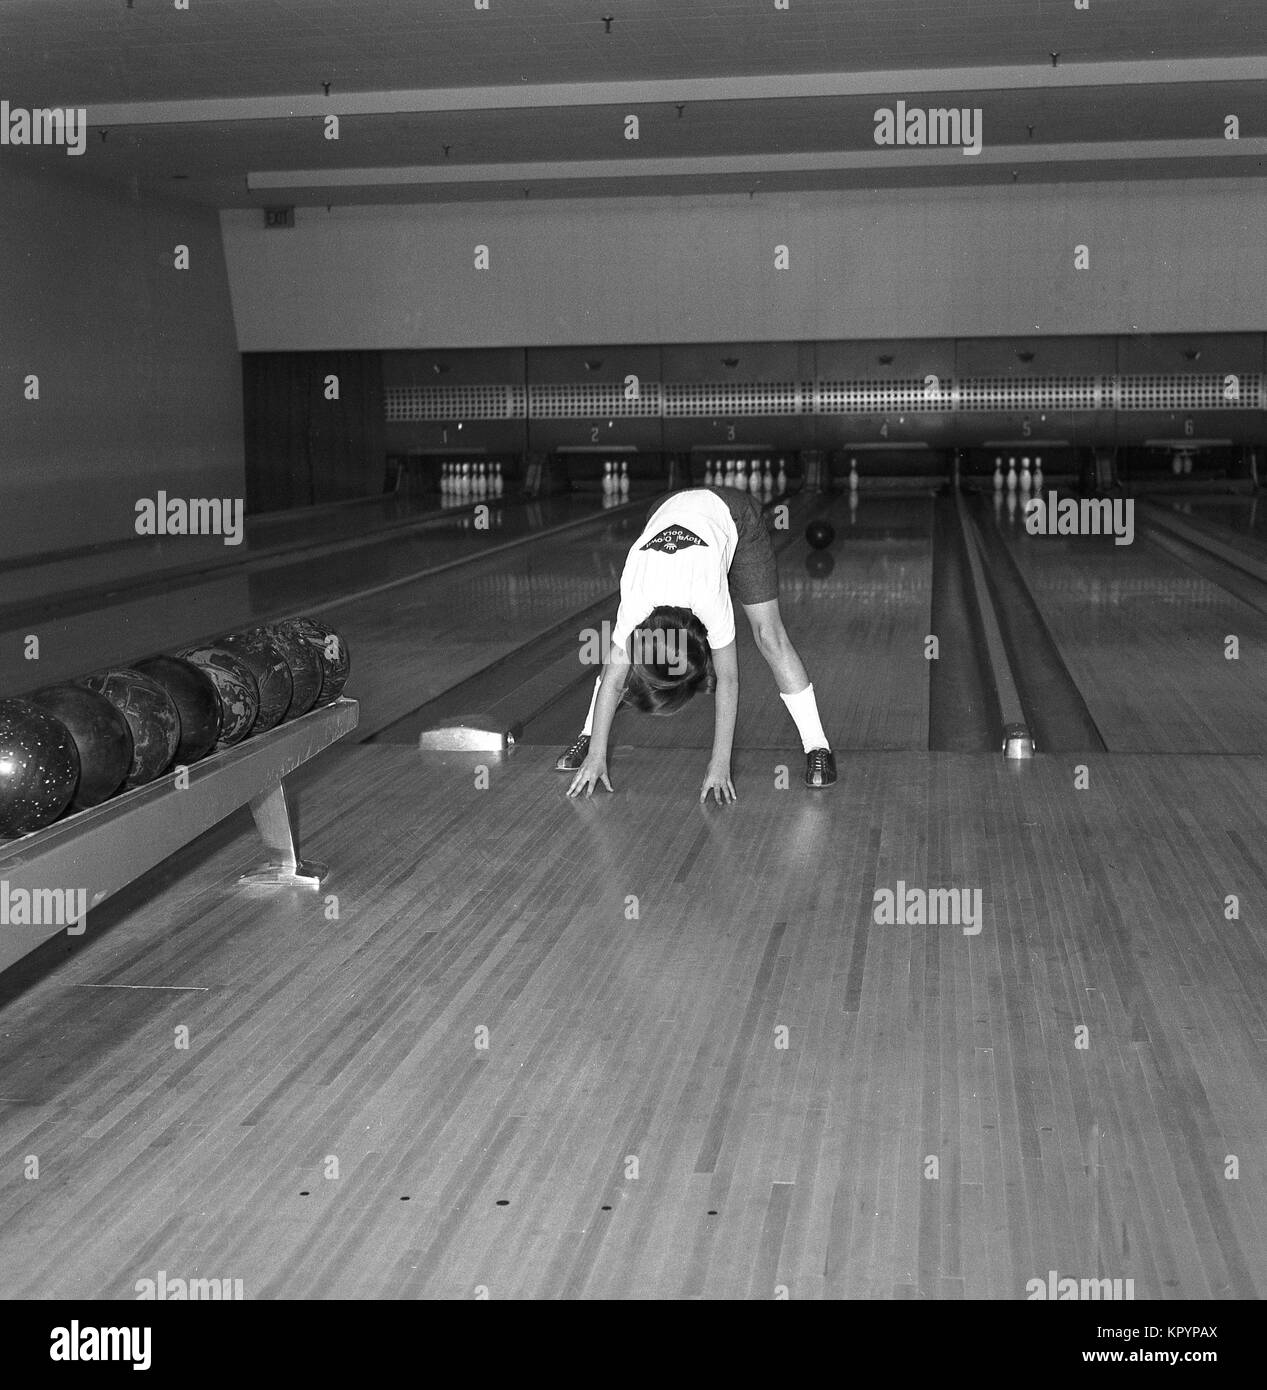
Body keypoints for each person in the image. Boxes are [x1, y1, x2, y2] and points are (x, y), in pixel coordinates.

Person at [558, 485, 836, 802]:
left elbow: (728, 678)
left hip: (736, 516)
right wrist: (598, 754)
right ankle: (588, 734)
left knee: (768, 636)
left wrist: (720, 765)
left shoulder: (709, 601)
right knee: (616, 659)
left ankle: (818, 745)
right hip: (666, 507)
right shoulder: (637, 597)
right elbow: (613, 677)